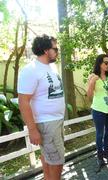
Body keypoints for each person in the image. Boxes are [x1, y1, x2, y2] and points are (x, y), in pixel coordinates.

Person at [18, 35, 65, 180]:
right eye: (55, 49)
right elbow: (23, 101)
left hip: (56, 121)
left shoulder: (51, 67)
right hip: (46, 123)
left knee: (48, 156)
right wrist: (32, 130)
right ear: (46, 50)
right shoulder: (31, 70)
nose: (57, 52)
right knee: (57, 161)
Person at [87, 54, 108, 166]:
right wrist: (91, 83)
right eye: (106, 63)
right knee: (100, 133)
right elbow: (89, 95)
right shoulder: (92, 76)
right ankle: (99, 155)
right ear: (99, 63)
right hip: (98, 110)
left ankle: (106, 150)